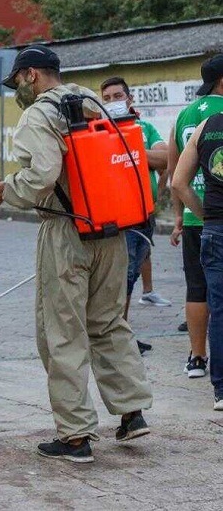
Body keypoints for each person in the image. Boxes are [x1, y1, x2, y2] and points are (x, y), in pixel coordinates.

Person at [0, 45, 153, 463]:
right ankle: (132, 412)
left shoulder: (39, 114)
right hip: (111, 228)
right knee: (109, 322)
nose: (17, 92)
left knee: (62, 332)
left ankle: (75, 436)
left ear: (31, 75)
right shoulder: (94, 101)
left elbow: (40, 175)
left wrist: (3, 191)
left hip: (65, 230)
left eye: (17, 82)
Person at [100, 77, 170, 353]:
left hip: (145, 215)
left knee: (131, 276)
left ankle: (123, 333)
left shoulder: (145, 128)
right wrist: (140, 155)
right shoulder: (99, 131)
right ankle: (117, 339)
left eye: (117, 96)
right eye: (106, 98)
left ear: (129, 100)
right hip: (119, 217)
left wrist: (131, 148)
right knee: (121, 278)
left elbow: (164, 158)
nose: (112, 102)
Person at [168, 54, 223, 379]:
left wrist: (180, 215)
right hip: (217, 215)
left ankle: (197, 358)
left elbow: (175, 172)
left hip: (193, 216)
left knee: (197, 288)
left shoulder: (185, 115)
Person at [173, 110, 223, 410]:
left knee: (219, 309)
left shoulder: (208, 126)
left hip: (216, 231)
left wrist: (207, 216)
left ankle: (221, 390)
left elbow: (178, 183)